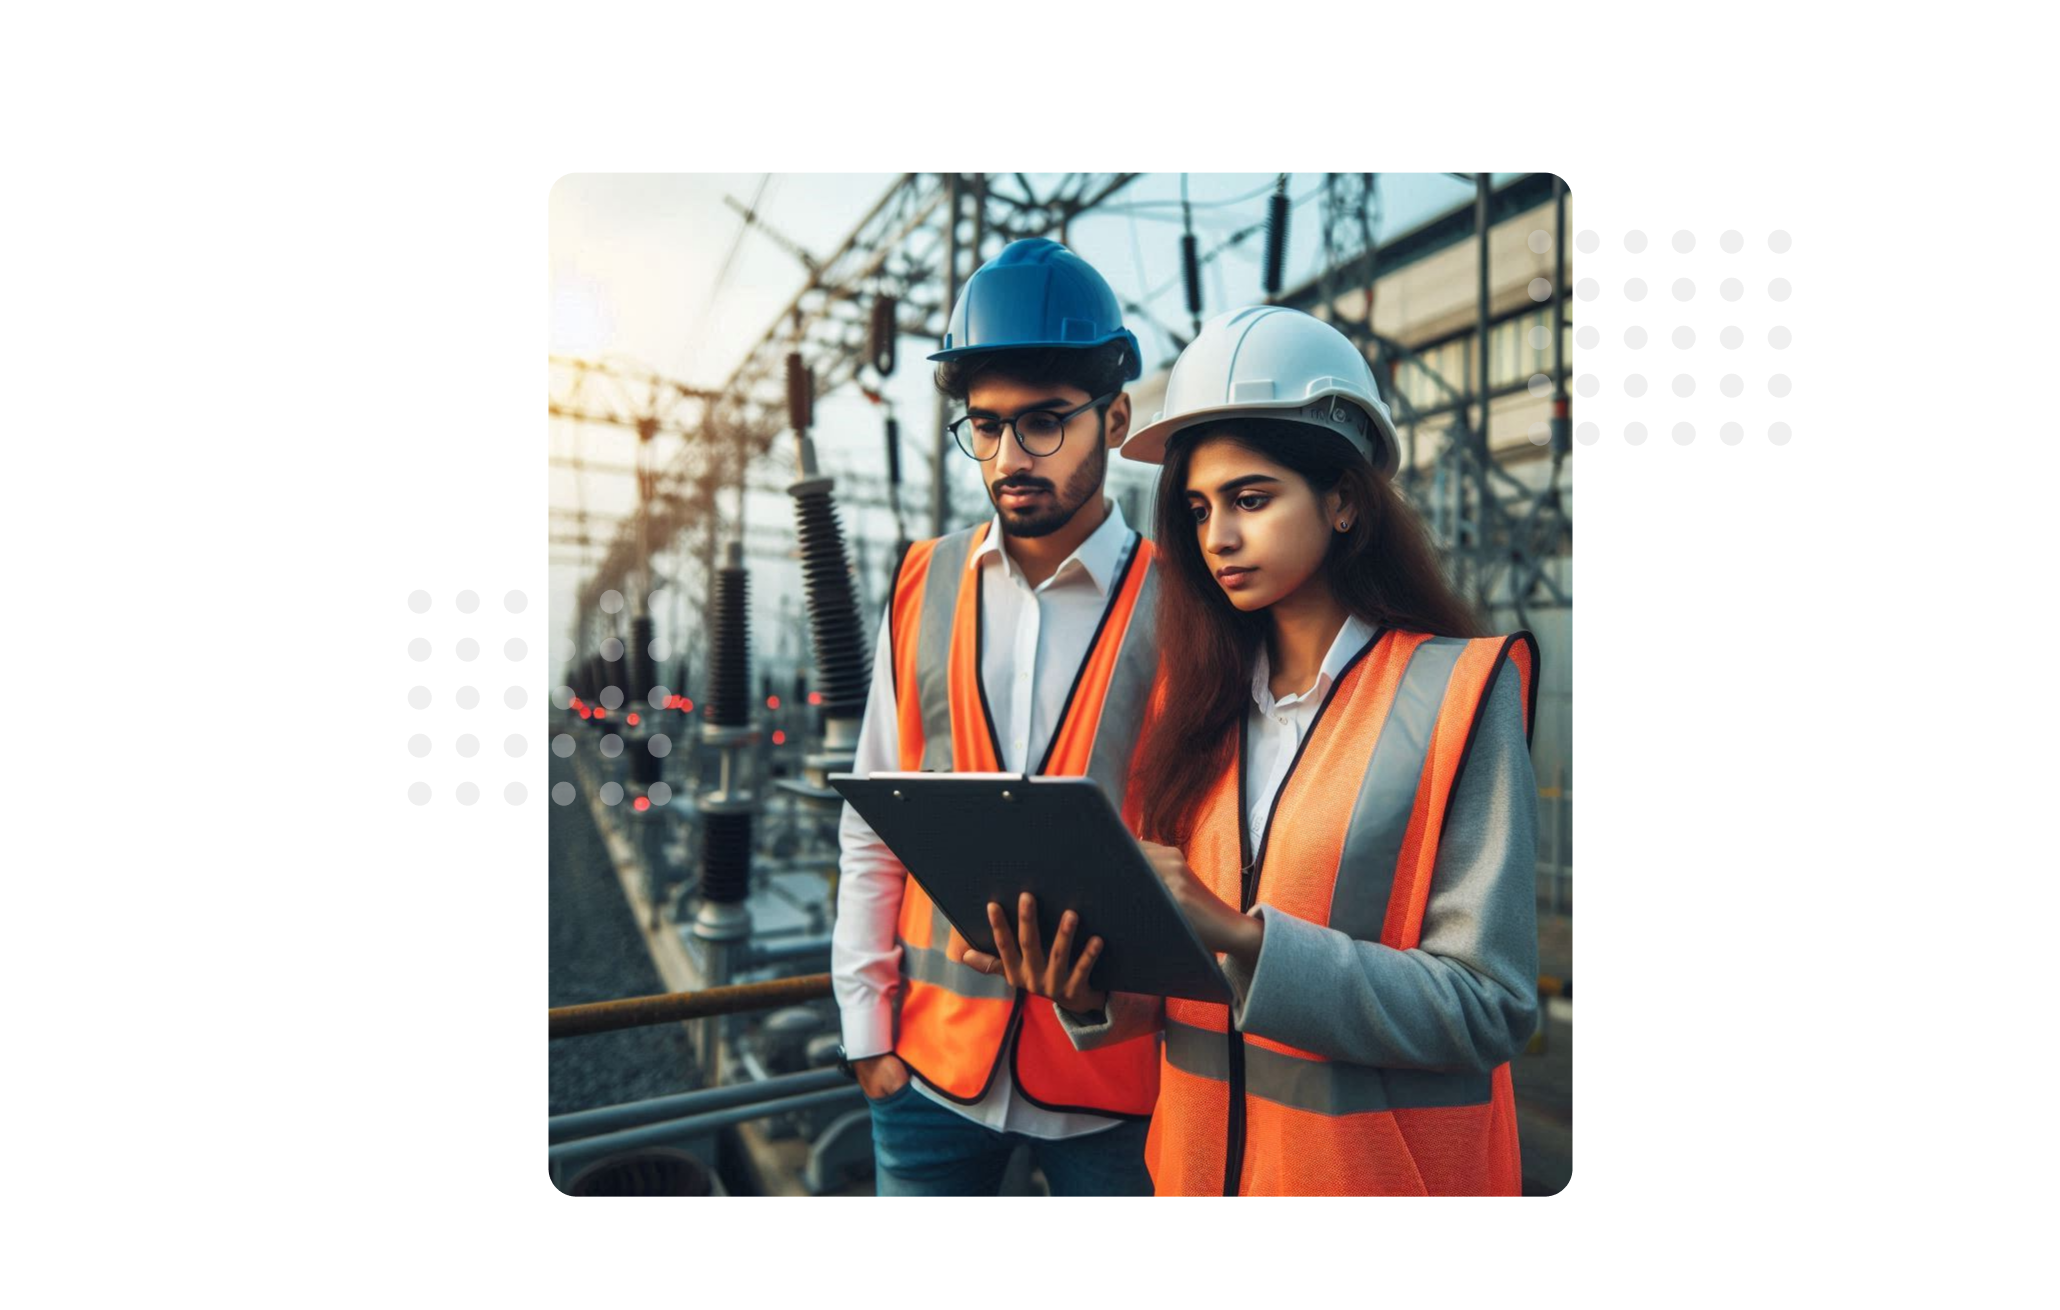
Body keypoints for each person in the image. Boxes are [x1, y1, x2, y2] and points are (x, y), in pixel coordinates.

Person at [960, 304, 1542, 1196]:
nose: (1217, 538)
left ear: (1343, 499)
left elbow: (1490, 1007)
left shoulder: (1459, 692)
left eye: (1252, 499)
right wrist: (1086, 988)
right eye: (1199, 509)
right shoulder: (1199, 710)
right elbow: (1190, 995)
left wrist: (1242, 933)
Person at [830, 238, 1164, 1197]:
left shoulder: (1187, 604)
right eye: (986, 426)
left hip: (1118, 1090)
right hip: (929, 1076)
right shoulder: (921, 583)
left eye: (1045, 422)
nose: (1010, 457)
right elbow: (875, 822)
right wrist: (867, 1029)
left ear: (1116, 418)